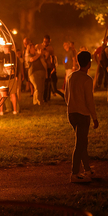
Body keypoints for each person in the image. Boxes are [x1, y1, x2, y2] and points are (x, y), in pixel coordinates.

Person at [65, 51, 99, 183]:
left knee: (82, 141)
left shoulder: (71, 76)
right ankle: (74, 173)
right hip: (83, 115)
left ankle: (87, 169)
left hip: (72, 114)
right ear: (89, 63)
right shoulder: (87, 79)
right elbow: (89, 101)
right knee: (80, 144)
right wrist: (94, 117)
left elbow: (66, 95)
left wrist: (71, 106)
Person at [37, 35, 64, 101]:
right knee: (42, 83)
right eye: (44, 41)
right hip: (41, 66)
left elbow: (52, 58)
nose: (45, 43)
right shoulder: (38, 46)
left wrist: (53, 67)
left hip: (48, 67)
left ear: (49, 41)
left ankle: (46, 97)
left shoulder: (50, 48)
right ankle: (42, 97)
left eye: (47, 42)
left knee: (47, 83)